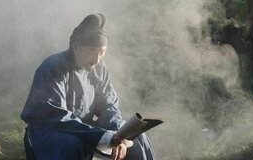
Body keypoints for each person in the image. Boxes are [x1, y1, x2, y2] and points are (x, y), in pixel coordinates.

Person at [20, 13, 156, 160]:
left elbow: (108, 105)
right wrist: (102, 136)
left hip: (86, 129)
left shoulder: (99, 68)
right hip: (50, 130)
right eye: (92, 51)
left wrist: (119, 134)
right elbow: (55, 115)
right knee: (71, 144)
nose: (97, 59)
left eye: (101, 53)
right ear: (76, 46)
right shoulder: (52, 67)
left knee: (138, 140)